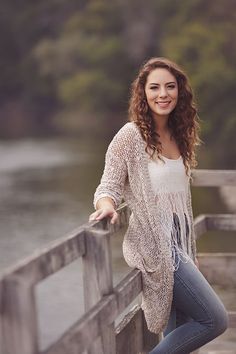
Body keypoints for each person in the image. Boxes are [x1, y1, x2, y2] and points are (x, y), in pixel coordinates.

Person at [89, 57, 228, 353]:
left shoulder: (180, 134)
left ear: (180, 92)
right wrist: (107, 205)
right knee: (214, 320)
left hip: (180, 247)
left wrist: (190, 249)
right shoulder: (130, 136)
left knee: (179, 331)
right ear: (143, 93)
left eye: (170, 86)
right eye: (154, 87)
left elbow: (182, 203)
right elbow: (108, 185)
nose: (162, 94)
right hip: (155, 246)